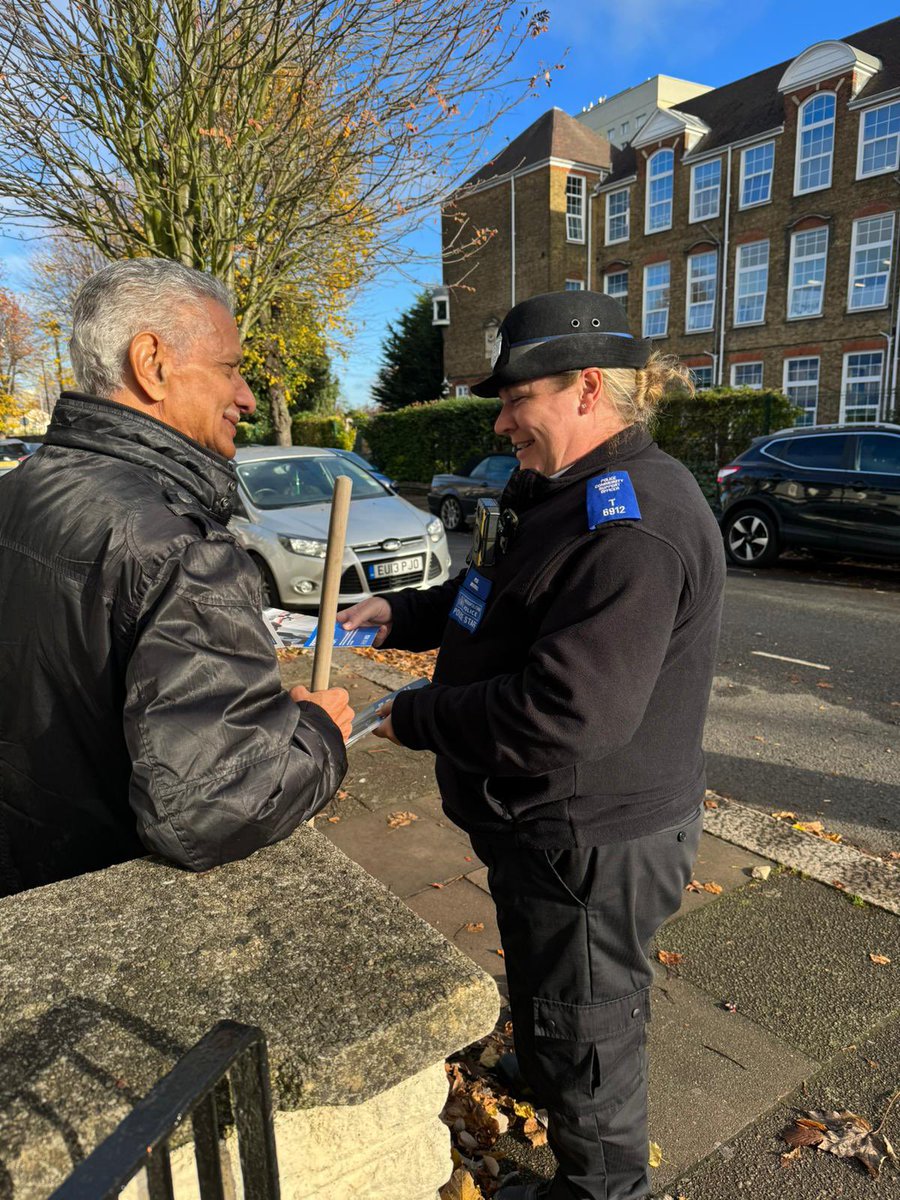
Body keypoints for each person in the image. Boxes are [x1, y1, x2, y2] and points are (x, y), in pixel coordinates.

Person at [338, 291, 726, 1200]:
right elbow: (494, 598)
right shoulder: (553, 487)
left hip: (591, 841)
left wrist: (421, 715)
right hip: (536, 827)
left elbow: (567, 711)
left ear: (590, 387)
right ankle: (543, 1065)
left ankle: (599, 1185)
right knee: (554, 987)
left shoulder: (634, 527)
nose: (502, 419)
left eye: (519, 397)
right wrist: (405, 610)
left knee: (593, 1030)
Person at [0, 258, 352, 897]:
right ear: (152, 362)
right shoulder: (179, 547)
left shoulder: (18, 490)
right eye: (229, 366)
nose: (245, 396)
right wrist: (317, 735)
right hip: (96, 907)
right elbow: (212, 810)